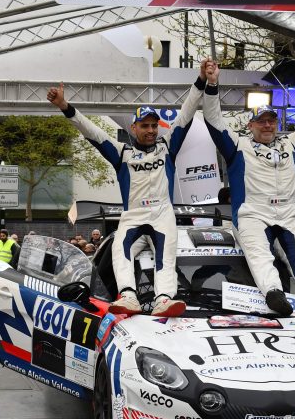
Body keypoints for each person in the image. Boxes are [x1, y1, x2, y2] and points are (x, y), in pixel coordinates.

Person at [46, 68, 206, 316]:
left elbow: (186, 113)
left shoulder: (168, 146)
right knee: (120, 251)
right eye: (145, 126)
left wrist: (202, 80)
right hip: (132, 216)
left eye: (154, 125)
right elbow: (91, 132)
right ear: (133, 128)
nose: (151, 130)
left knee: (166, 255)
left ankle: (164, 298)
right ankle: (129, 296)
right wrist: (64, 106)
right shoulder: (122, 153)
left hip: (162, 214)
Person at [202, 59, 295, 317]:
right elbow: (214, 120)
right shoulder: (238, 146)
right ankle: (274, 294)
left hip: (286, 213)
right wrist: (212, 84)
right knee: (260, 255)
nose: (268, 125)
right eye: (262, 121)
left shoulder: (290, 145)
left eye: (272, 120)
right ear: (251, 125)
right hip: (252, 214)